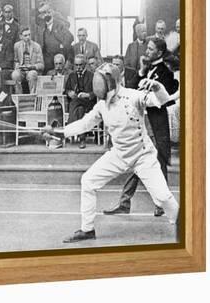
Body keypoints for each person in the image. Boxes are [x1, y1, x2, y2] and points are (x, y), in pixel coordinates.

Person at [44, 63, 179, 243]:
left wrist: (157, 87)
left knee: (162, 197)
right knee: (88, 181)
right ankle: (87, 229)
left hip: (143, 155)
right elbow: (83, 125)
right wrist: (57, 132)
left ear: (112, 81)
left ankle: (180, 221)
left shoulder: (134, 96)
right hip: (119, 154)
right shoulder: (101, 106)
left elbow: (162, 101)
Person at [103, 37, 179, 217]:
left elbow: (164, 99)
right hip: (141, 122)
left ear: (159, 53)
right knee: (139, 161)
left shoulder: (166, 72)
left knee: (158, 162)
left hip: (155, 124)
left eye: (151, 49)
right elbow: (132, 90)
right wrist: (142, 71)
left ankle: (158, 204)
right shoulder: (149, 69)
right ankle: (126, 202)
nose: (147, 52)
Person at [64, 54, 96, 148]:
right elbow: (67, 89)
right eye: (76, 65)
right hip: (78, 106)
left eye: (80, 65)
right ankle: (82, 140)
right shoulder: (72, 75)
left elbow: (97, 92)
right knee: (79, 110)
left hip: (88, 103)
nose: (78, 67)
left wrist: (88, 95)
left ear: (85, 64)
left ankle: (69, 128)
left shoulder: (92, 76)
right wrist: (69, 93)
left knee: (75, 102)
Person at [35, 7, 74, 73]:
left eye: (49, 12)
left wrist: (62, 46)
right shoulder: (42, 26)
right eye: (44, 13)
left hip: (59, 57)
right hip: (47, 59)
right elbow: (35, 16)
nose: (46, 15)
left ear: (52, 13)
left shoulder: (60, 25)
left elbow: (70, 37)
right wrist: (40, 10)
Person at [11, 27, 44, 94]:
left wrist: (32, 67)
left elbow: (41, 65)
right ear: (21, 36)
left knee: (32, 74)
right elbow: (16, 60)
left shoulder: (37, 46)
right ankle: (19, 97)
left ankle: (33, 98)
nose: (28, 37)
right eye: (25, 35)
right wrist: (17, 65)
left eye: (29, 35)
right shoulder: (17, 46)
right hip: (21, 70)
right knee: (15, 74)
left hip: (32, 69)